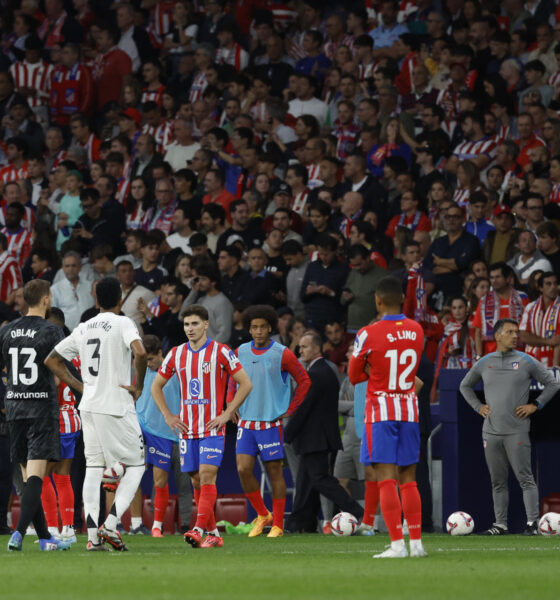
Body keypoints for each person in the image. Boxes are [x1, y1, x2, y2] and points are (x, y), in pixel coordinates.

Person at [45, 277, 148, 551]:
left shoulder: (83, 327)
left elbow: (52, 359)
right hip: (115, 406)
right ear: (120, 298)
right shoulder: (124, 323)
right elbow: (141, 352)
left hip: (88, 407)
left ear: (96, 300)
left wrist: (81, 387)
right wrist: (138, 385)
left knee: (93, 468)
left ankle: (92, 539)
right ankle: (111, 525)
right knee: (136, 465)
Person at [151, 304, 253, 549]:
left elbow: (245, 383)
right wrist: (168, 416)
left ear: (206, 325)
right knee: (197, 482)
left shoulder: (221, 351)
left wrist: (227, 413)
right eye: (186, 324)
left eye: (195, 323)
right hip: (187, 429)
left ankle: (197, 529)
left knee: (207, 476)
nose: (190, 329)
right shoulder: (176, 354)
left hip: (212, 427)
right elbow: (156, 386)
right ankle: (214, 533)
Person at [348, 276, 426, 558]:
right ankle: (416, 543)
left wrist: (374, 372)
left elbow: (354, 375)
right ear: (403, 299)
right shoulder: (417, 330)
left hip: (381, 410)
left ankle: (396, 545)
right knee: (409, 478)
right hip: (408, 408)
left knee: (385, 478)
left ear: (377, 300)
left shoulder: (368, 333)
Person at [459, 318, 560, 535]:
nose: (515, 336)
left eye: (516, 332)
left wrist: (536, 404)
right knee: (498, 481)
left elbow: (553, 383)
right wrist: (478, 407)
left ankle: (532, 523)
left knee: (525, 478)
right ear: (497, 336)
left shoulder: (526, 360)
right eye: (510, 332)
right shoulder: (485, 362)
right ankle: (500, 524)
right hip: (491, 431)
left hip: (517, 430)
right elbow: (464, 386)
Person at [1, 279, 74, 551]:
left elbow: (3, 370)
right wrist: (81, 390)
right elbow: (62, 369)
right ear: (45, 300)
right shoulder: (52, 331)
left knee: (29, 475)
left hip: (15, 409)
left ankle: (45, 539)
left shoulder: (6, 331)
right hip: (41, 409)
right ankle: (19, 533)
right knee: (36, 477)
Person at [229, 305, 310, 537]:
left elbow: (304, 381)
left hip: (270, 424)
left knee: (274, 473)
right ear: (249, 329)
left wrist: (290, 409)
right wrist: (230, 405)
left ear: (270, 328)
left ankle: (278, 525)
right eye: (254, 327)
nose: (258, 331)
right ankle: (263, 514)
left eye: (263, 327)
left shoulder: (282, 353)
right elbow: (232, 381)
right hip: (246, 423)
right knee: (243, 469)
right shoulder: (240, 351)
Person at [284, 330, 364, 533]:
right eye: (299, 346)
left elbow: (304, 409)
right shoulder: (324, 371)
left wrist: (286, 434)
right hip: (318, 437)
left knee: (321, 479)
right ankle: (300, 523)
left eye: (305, 346)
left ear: (317, 348)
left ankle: (357, 512)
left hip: (315, 438)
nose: (300, 350)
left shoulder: (316, 374)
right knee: (304, 482)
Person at [134, 335, 187, 537]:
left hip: (167, 433)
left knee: (161, 480)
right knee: (125, 474)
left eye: (150, 359)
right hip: (141, 427)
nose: (146, 364)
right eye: (143, 360)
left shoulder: (176, 372)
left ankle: (157, 525)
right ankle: (131, 524)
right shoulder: (140, 370)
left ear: (159, 353)